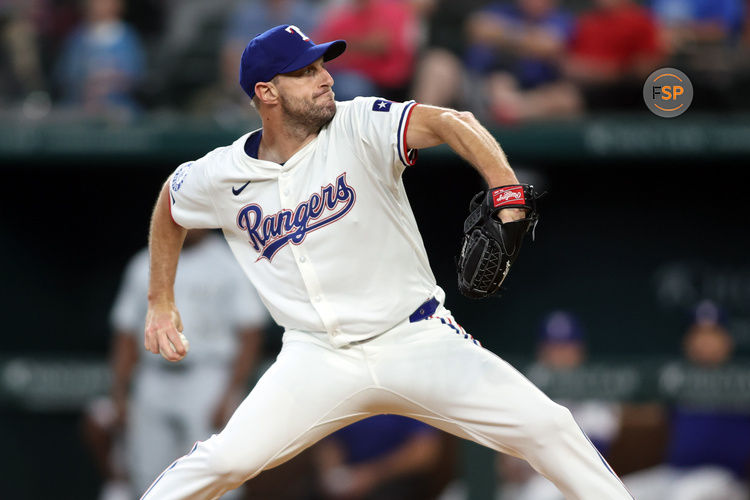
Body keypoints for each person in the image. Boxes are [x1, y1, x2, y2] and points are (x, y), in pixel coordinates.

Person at [139, 24, 633, 499]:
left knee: (549, 427)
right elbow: (170, 204)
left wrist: (505, 191)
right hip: (317, 357)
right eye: (306, 71)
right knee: (225, 462)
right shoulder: (222, 172)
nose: (326, 77)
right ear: (267, 93)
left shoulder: (358, 122)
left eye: (322, 65)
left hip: (414, 336)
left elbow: (451, 121)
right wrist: (161, 299)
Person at [107, 229, 268, 497]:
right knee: (147, 474)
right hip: (153, 375)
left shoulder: (228, 263)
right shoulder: (144, 263)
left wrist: (231, 393)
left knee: (214, 472)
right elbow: (125, 333)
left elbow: (250, 333)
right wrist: (120, 393)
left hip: (207, 375)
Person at [623, 300, 750, 500]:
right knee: (617, 491)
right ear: (688, 340)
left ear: (727, 340)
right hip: (675, 472)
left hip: (726, 479)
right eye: (698, 333)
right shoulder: (677, 380)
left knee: (684, 495)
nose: (705, 341)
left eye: (713, 333)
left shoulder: (742, 380)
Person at [496, 311, 623, 500]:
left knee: (539, 492)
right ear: (541, 350)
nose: (559, 354)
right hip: (520, 478)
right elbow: (503, 451)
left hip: (569, 479)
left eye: (566, 346)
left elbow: (599, 446)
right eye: (553, 347)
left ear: (580, 350)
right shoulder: (525, 382)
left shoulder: (594, 385)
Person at [313, 414, 442, 500]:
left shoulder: (408, 400)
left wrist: (372, 475)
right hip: (348, 477)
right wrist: (332, 475)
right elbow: (330, 442)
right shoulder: (349, 396)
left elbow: (424, 451)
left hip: (392, 481)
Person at [53, 0, 145, 117]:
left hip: (118, 105)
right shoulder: (77, 38)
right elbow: (65, 74)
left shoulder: (127, 37)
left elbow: (136, 73)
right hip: (80, 105)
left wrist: (108, 83)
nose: (99, 5)